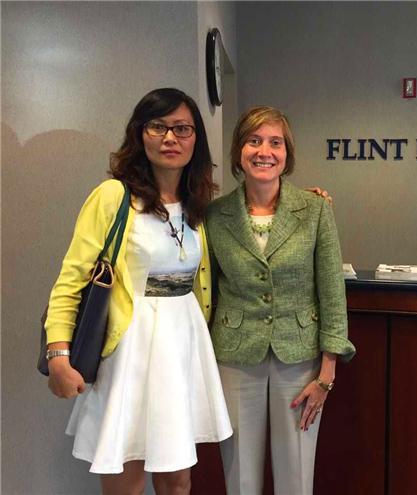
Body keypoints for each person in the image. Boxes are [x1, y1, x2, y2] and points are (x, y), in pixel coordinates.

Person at [44, 88, 233, 494]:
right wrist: (58, 354)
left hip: (183, 349)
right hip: (130, 351)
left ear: (196, 138)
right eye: (158, 127)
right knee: (126, 481)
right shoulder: (114, 196)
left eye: (182, 129)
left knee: (178, 480)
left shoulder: (198, 203)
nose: (170, 138)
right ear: (139, 133)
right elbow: (70, 280)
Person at [205, 106, 356, 494]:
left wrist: (327, 373)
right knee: (240, 474)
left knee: (296, 472)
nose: (264, 151)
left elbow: (332, 292)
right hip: (235, 355)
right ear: (239, 150)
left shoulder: (315, 209)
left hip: (300, 357)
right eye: (254, 141)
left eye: (275, 142)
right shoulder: (215, 215)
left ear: (287, 153)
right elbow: (207, 288)